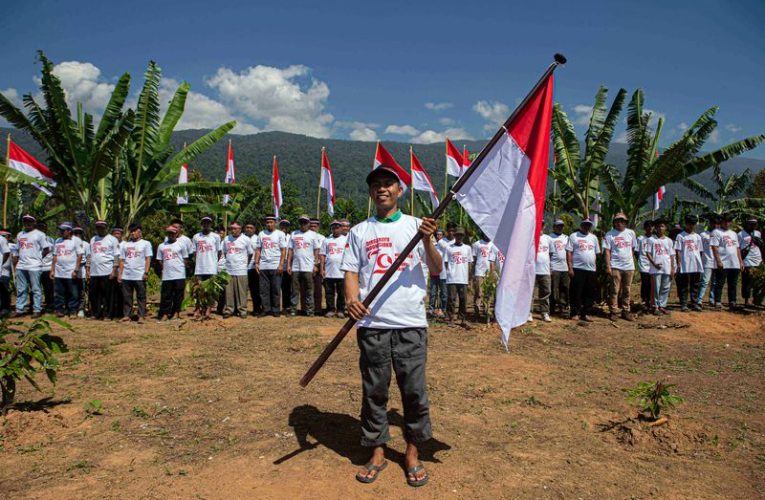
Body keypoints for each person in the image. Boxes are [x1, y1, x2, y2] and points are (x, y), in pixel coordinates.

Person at [341, 162, 441, 487]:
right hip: (372, 325)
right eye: (376, 185)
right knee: (374, 391)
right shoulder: (360, 231)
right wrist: (351, 299)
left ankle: (412, 453)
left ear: (399, 190)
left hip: (410, 323)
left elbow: (437, 268)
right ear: (371, 193)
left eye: (388, 183)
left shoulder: (418, 225)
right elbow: (351, 271)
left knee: (413, 391)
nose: (381, 188)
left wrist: (427, 241)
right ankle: (377, 451)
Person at [13, 214, 51, 318]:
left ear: (34, 223)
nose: (27, 223)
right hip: (21, 266)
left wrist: (38, 258)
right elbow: (16, 249)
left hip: (34, 266)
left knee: (36, 289)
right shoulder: (20, 234)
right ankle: (20, 309)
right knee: (21, 289)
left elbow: (46, 249)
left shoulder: (39, 234)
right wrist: (16, 262)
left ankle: (37, 309)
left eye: (30, 221)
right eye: (25, 221)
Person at [602, 213, 637, 321]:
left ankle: (626, 310)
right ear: (614, 222)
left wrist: (632, 263)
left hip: (628, 266)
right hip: (615, 266)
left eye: (622, 221)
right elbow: (607, 252)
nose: (619, 223)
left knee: (627, 290)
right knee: (615, 290)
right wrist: (608, 266)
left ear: (625, 222)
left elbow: (632, 249)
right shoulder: (609, 234)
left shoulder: (631, 233)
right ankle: (614, 311)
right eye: (617, 221)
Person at [566, 218, 600, 322]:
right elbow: (569, 253)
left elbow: (597, 253)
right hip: (577, 268)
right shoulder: (574, 236)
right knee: (576, 292)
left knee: (589, 292)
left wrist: (595, 267)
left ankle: (586, 313)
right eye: (585, 224)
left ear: (591, 226)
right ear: (581, 225)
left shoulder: (594, 238)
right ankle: (575, 313)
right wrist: (570, 268)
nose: (587, 226)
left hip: (591, 269)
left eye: (589, 225)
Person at [118, 224, 153, 322]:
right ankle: (127, 315)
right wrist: (120, 274)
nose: (132, 233)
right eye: (131, 231)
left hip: (139, 275)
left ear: (140, 232)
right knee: (127, 297)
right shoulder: (126, 245)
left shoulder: (146, 243)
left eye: (134, 231)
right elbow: (122, 260)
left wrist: (146, 272)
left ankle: (141, 315)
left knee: (141, 296)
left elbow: (148, 259)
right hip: (127, 275)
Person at [254, 215, 287, 317]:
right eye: (267, 222)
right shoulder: (261, 234)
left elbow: (283, 250)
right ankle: (266, 309)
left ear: (275, 223)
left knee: (276, 289)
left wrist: (281, 264)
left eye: (271, 222)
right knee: (264, 290)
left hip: (275, 265)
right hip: (264, 266)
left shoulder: (280, 234)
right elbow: (258, 249)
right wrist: (256, 263)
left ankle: (276, 309)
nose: (269, 224)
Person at [287, 215, 320, 316]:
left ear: (309, 223)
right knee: (294, 289)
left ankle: (310, 310)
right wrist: (289, 265)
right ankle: (293, 309)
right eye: (301, 222)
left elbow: (316, 250)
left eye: (305, 222)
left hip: (308, 267)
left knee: (309, 289)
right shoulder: (294, 234)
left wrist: (315, 265)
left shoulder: (313, 235)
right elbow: (290, 250)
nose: (303, 224)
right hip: (296, 267)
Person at [87, 221, 121, 320]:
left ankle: (107, 314)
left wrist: (114, 270)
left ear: (106, 228)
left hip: (107, 271)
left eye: (101, 227)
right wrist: (88, 269)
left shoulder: (112, 239)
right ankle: (95, 313)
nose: (100, 229)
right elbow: (89, 255)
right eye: (98, 227)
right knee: (94, 294)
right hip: (94, 272)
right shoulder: (93, 239)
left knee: (108, 295)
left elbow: (116, 256)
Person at [51, 222, 84, 318]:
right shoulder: (58, 241)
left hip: (70, 272)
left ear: (69, 231)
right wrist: (52, 270)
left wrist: (76, 269)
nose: (61, 232)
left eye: (63, 230)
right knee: (59, 292)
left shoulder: (76, 240)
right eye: (60, 230)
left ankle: (73, 310)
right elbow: (55, 256)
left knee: (73, 292)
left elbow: (79, 255)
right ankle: (59, 310)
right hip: (59, 272)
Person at [156, 225, 189, 321]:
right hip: (167, 275)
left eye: (172, 233)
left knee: (178, 295)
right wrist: (165, 268)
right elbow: (159, 260)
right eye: (169, 233)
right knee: (166, 296)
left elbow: (185, 259)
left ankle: (176, 313)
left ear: (176, 234)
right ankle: (165, 314)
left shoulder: (181, 245)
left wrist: (181, 268)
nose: (171, 235)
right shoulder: (161, 246)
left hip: (179, 274)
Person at [191, 216, 222, 318]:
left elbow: (219, 252)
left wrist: (213, 262)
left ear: (211, 224)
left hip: (211, 268)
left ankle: (208, 309)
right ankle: (198, 309)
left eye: (208, 223)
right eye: (204, 223)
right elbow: (195, 253)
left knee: (210, 290)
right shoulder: (196, 237)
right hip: (199, 268)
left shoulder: (216, 237)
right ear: (202, 224)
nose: (206, 225)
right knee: (198, 290)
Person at [711, 214, 743, 310]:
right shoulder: (716, 232)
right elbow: (714, 247)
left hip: (734, 263)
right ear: (721, 222)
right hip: (723, 262)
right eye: (725, 221)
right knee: (720, 283)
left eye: (729, 221)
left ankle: (732, 302)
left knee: (733, 284)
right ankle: (718, 302)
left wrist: (740, 261)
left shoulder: (734, 233)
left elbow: (737, 248)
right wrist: (718, 261)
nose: (727, 223)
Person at [222, 221, 252, 318]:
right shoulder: (226, 239)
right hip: (229, 270)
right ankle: (229, 309)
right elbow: (224, 253)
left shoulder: (246, 239)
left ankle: (242, 310)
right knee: (229, 292)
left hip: (241, 270)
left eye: (235, 229)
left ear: (240, 229)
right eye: (231, 228)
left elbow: (250, 253)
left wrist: (245, 264)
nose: (233, 230)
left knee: (242, 291)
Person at [674, 215, 704, 311]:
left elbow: (700, 251)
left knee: (695, 285)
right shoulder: (680, 236)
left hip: (696, 264)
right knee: (684, 285)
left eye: (693, 224)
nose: (691, 226)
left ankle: (694, 303)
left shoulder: (697, 237)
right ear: (686, 224)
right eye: (689, 224)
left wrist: (700, 263)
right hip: (685, 264)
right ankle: (684, 304)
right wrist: (679, 263)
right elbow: (678, 250)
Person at [646, 219, 674, 315]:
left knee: (665, 287)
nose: (660, 228)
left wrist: (672, 268)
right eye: (658, 226)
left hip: (667, 267)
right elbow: (648, 253)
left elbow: (671, 255)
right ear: (655, 228)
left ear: (665, 228)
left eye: (662, 226)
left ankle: (662, 305)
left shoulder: (669, 241)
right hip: (655, 269)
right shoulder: (651, 239)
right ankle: (655, 306)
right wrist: (654, 263)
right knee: (656, 288)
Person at [444, 227, 472, 325]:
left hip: (463, 278)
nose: (459, 237)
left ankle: (462, 318)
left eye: (461, 235)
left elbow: (469, 262)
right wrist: (449, 273)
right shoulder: (449, 248)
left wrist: (469, 276)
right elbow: (446, 262)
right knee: (451, 299)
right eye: (457, 235)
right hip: (452, 277)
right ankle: (450, 318)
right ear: (454, 236)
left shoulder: (467, 248)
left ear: (463, 237)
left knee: (463, 299)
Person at [320, 220, 347, 318]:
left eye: (337, 227)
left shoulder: (346, 240)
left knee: (341, 293)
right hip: (329, 271)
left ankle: (340, 310)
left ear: (341, 228)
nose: (335, 229)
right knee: (329, 292)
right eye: (333, 228)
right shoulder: (327, 240)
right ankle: (330, 309)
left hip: (342, 271)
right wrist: (322, 269)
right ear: (331, 229)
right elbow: (322, 255)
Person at [471, 234, 497, 320]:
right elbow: (473, 260)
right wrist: (472, 274)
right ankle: (476, 312)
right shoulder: (476, 244)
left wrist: (493, 273)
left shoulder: (494, 244)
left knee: (488, 294)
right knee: (479, 293)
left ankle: (486, 311)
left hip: (489, 273)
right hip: (479, 272)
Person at [739, 217, 763, 308]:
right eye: (751, 224)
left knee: (757, 282)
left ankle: (756, 300)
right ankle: (746, 300)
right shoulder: (740, 234)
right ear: (747, 224)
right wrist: (741, 261)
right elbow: (738, 248)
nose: (752, 226)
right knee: (747, 281)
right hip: (747, 260)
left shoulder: (758, 233)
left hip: (757, 259)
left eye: (754, 224)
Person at [697, 215, 720, 308]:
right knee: (705, 281)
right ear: (710, 223)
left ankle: (712, 299)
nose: (715, 225)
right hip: (707, 260)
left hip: (718, 261)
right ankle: (699, 300)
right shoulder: (703, 235)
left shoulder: (720, 235)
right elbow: (699, 249)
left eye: (717, 224)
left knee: (715, 282)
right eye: (713, 223)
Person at [548, 219, 570, 316]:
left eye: (561, 226)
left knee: (564, 287)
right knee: (553, 288)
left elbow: (570, 252)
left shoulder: (566, 238)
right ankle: (552, 307)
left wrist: (570, 266)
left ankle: (563, 306)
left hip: (565, 267)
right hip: (554, 267)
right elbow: (548, 254)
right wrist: (549, 267)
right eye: (558, 226)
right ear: (554, 227)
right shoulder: (549, 238)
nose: (560, 228)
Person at [532, 224, 553, 322]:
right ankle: (528, 313)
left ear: (544, 227)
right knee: (530, 293)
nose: (540, 227)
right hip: (532, 270)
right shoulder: (530, 237)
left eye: (542, 225)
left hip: (545, 270)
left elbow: (551, 254)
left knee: (545, 293)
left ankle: (544, 313)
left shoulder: (548, 239)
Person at [36, 221, 55, 312]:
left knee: (49, 288)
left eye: (43, 227)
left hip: (47, 268)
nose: (41, 229)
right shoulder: (33, 238)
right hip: (35, 267)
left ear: (46, 229)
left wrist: (53, 268)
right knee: (35, 288)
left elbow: (55, 254)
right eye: (39, 227)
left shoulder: (51, 240)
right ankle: (35, 306)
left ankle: (50, 305)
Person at [244, 221, 262, 315]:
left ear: (254, 230)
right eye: (247, 227)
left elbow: (260, 251)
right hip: (242, 268)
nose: (249, 229)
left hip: (254, 267)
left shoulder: (258, 238)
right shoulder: (241, 238)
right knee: (242, 290)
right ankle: (241, 309)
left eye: (251, 228)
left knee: (255, 290)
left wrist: (258, 263)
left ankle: (257, 309)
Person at [636, 220, 655, 312]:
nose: (650, 228)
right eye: (648, 226)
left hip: (653, 264)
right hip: (643, 263)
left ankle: (651, 301)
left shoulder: (655, 239)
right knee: (645, 282)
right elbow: (636, 251)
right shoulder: (640, 238)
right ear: (645, 228)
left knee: (652, 283)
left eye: (651, 226)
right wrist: (639, 259)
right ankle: (644, 300)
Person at [427, 229, 447, 318]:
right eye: (437, 234)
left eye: (440, 234)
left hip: (443, 273)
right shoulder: (433, 246)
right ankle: (431, 309)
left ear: (443, 236)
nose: (438, 236)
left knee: (443, 292)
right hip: (433, 272)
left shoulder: (445, 246)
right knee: (433, 292)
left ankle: (442, 309)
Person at [310, 218, 325, 313]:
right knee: (307, 288)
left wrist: (318, 266)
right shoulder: (305, 236)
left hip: (318, 264)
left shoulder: (322, 238)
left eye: (315, 226)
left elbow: (322, 253)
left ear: (318, 227)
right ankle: (307, 308)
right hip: (306, 265)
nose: (312, 228)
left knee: (318, 288)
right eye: (311, 226)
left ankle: (318, 308)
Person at [110, 227, 126, 319]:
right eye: (114, 234)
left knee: (121, 295)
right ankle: (112, 313)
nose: (116, 235)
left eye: (118, 234)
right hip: (111, 272)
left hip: (121, 273)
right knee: (112, 294)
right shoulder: (110, 244)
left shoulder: (125, 245)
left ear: (121, 235)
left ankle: (121, 313)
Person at [73, 226, 88, 318]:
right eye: (75, 233)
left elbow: (89, 257)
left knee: (81, 290)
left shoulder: (86, 244)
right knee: (72, 290)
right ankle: (72, 308)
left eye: (79, 233)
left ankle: (81, 308)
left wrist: (88, 271)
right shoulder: (70, 243)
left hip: (81, 269)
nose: (77, 234)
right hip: (70, 269)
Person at [279, 219, 293, 311]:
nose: (284, 227)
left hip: (287, 263)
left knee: (287, 286)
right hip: (277, 263)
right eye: (282, 225)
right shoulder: (276, 235)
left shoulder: (291, 237)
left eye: (286, 226)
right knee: (276, 287)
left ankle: (286, 306)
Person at [0, 230, 11, 314]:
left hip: (3, 271)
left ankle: (5, 308)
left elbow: (7, 253)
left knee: (3, 290)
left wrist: (1, 263)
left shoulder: (2, 240)